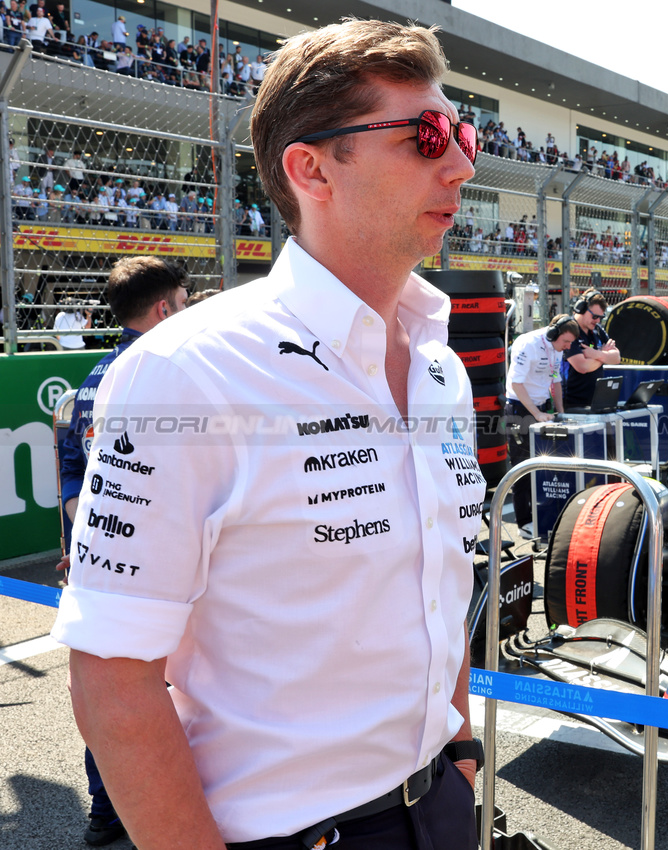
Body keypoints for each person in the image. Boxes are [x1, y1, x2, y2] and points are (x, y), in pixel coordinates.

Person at [52, 19, 485, 848]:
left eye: (460, 133)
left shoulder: (439, 365)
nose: (461, 162)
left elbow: (442, 579)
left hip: (438, 805)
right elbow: (113, 680)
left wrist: (459, 751)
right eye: (425, 135)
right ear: (311, 167)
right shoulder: (186, 371)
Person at [56, 257, 188, 846]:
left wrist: (81, 547)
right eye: (185, 302)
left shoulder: (84, 385)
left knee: (107, 685)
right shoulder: (164, 376)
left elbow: (69, 479)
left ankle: (107, 810)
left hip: (99, 560)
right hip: (158, 565)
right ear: (165, 308)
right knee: (162, 692)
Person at [506, 314, 578, 536]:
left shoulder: (556, 349)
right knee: (523, 467)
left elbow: (555, 380)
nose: (567, 347)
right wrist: (535, 413)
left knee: (546, 463)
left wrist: (561, 413)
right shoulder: (527, 344)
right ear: (553, 333)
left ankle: (545, 515)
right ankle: (523, 523)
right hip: (519, 409)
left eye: (570, 344)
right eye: (565, 342)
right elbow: (516, 383)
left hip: (542, 407)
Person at [561, 289, 619, 410]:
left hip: (596, 401)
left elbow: (617, 358)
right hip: (573, 403)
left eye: (600, 317)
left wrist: (595, 354)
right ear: (581, 309)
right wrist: (604, 355)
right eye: (594, 316)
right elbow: (583, 367)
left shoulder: (597, 330)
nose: (597, 320)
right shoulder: (569, 330)